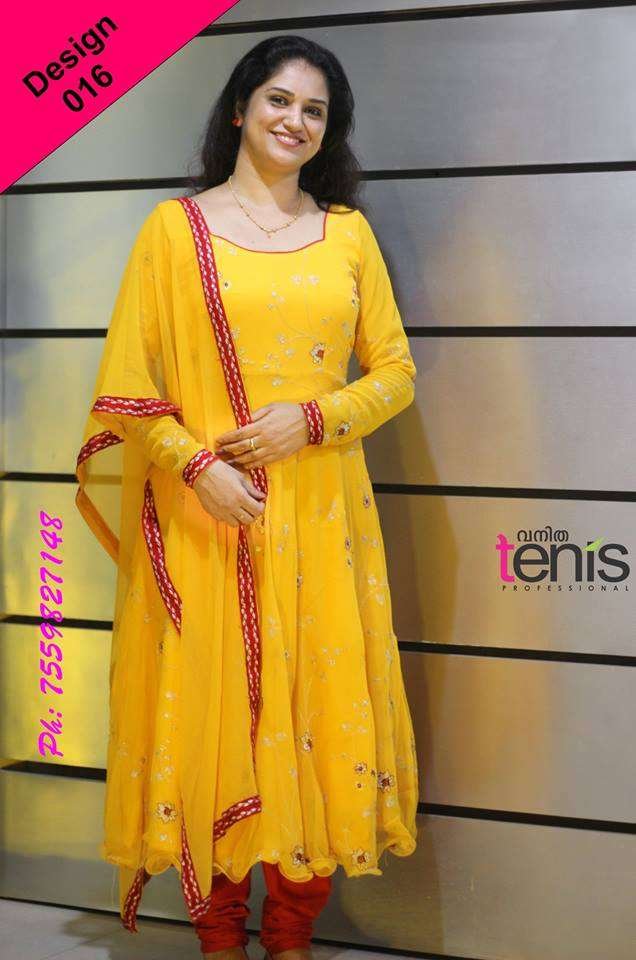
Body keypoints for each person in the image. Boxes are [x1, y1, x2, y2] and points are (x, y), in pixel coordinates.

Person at [75, 33, 419, 960]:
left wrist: (311, 420)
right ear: (238, 107)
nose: (294, 121)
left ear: (329, 130)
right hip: (208, 518)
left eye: (315, 110)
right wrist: (198, 467)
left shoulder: (346, 234)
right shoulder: (173, 231)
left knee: (317, 710)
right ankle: (221, 934)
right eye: (278, 100)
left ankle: (293, 933)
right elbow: (127, 388)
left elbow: (395, 372)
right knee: (212, 717)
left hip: (320, 517)